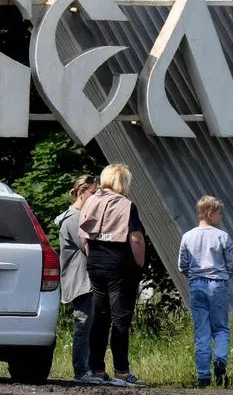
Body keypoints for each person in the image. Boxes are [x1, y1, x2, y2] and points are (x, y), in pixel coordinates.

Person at [79, 163, 146, 387]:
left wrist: (93, 258)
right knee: (120, 320)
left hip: (96, 265)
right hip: (120, 268)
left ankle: (96, 369)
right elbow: (135, 238)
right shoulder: (127, 205)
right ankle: (122, 371)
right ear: (123, 181)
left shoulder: (91, 202)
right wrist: (140, 265)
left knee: (100, 318)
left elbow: (84, 237)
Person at [178, 195, 233, 388]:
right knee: (220, 328)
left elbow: (182, 265)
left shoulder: (187, 236)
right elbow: (231, 265)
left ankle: (203, 377)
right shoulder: (222, 236)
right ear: (211, 214)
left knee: (201, 331)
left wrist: (194, 276)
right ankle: (220, 360)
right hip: (218, 284)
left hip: (196, 285)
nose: (221, 217)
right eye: (220, 214)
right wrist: (223, 276)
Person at [55, 173, 100, 384]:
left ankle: (90, 369)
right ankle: (82, 371)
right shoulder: (74, 219)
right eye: (93, 193)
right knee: (83, 327)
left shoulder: (78, 216)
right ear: (81, 192)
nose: (96, 198)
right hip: (81, 281)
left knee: (89, 326)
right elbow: (89, 248)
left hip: (86, 280)